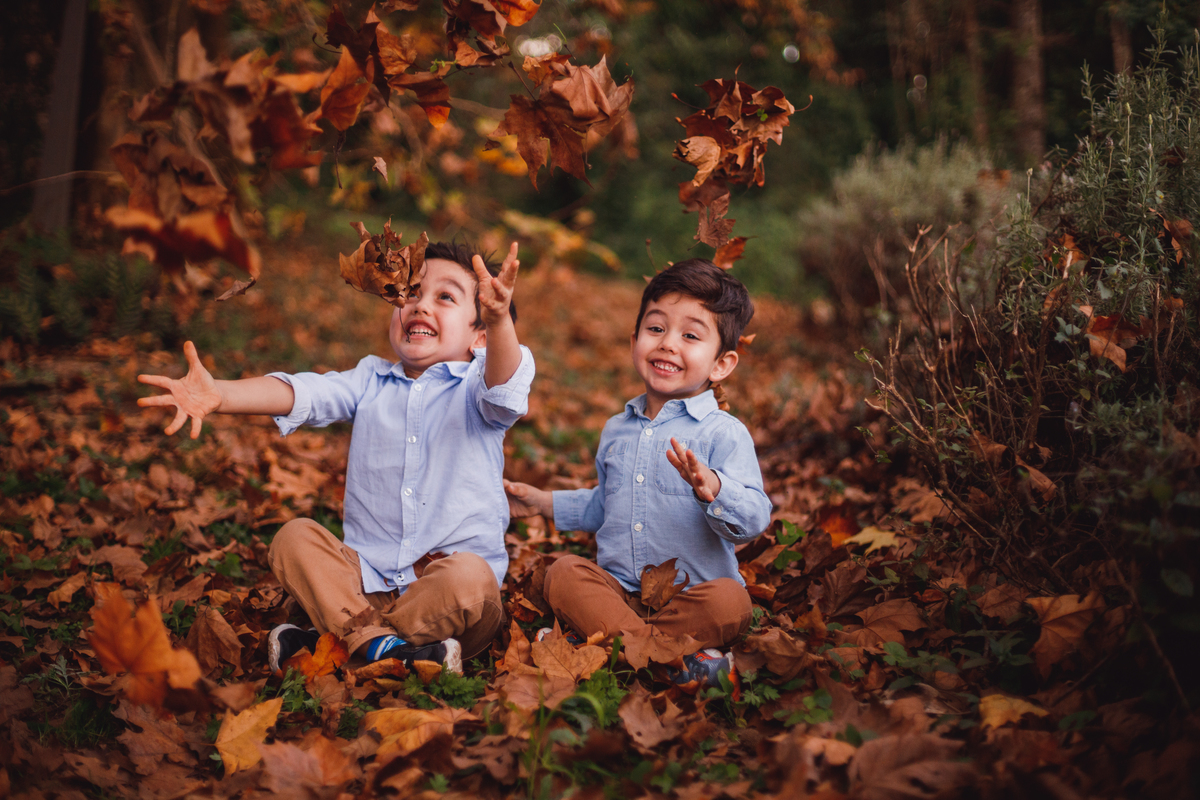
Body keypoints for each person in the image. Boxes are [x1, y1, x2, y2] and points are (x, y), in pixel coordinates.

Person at [138, 241, 533, 676]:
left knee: (470, 579)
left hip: (447, 598)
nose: (420, 305)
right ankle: (391, 650)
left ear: (479, 336)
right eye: (411, 292)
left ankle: (344, 640)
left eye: (445, 297)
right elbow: (302, 393)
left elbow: (506, 386)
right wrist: (221, 394)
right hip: (366, 585)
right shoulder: (369, 379)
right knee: (295, 538)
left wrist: (499, 322)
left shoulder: (480, 388)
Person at [505, 258, 771, 686]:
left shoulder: (724, 433)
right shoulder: (616, 429)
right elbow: (603, 503)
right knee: (563, 573)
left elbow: (755, 518)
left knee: (732, 601)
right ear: (635, 341)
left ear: (721, 364)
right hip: (619, 594)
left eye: (690, 335)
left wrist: (714, 489)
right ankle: (675, 659)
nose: (668, 343)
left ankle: (609, 647)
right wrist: (542, 503)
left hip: (692, 598)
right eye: (656, 328)